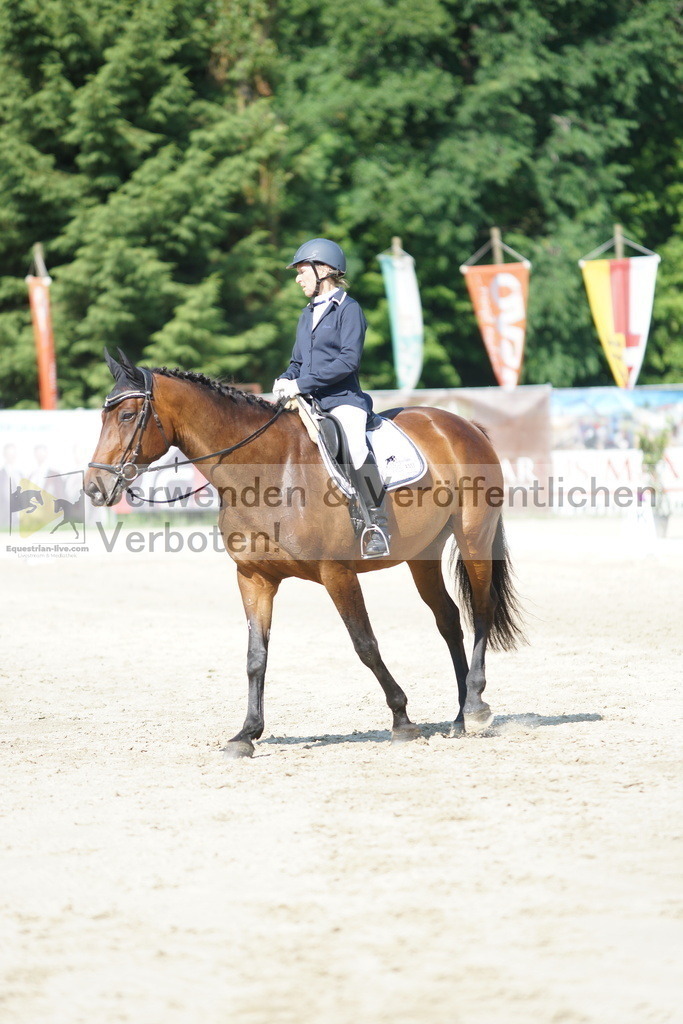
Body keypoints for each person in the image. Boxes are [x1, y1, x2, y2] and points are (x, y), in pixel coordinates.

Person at [273, 238, 389, 558]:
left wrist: (302, 383)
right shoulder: (307, 313)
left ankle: (377, 524)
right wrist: (285, 378)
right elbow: (297, 362)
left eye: (302, 271)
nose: (298, 279)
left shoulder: (349, 310)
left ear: (323, 270)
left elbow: (347, 361)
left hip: (343, 399)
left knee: (355, 444)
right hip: (310, 401)